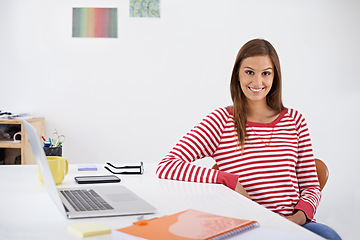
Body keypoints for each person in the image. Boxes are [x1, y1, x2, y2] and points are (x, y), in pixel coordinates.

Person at [156, 39, 341, 240]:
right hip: (248, 227)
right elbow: (167, 165)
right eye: (249, 72)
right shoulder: (221, 121)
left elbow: (311, 186)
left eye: (266, 73)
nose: (257, 82)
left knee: (330, 237)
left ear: (275, 77)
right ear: (237, 74)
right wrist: (227, 180)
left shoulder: (295, 121)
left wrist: (296, 219)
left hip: (294, 224)